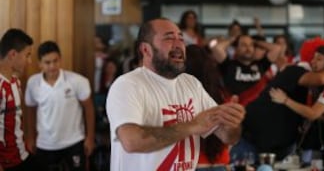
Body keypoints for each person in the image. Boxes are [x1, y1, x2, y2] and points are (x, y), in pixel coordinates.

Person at [106, 18, 245, 171]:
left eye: (181, 39)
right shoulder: (129, 84)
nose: (179, 45)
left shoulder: (190, 84)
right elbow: (132, 141)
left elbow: (228, 137)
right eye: (169, 38)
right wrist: (193, 126)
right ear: (146, 50)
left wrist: (232, 121)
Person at [270, 45, 324, 170]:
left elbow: (313, 113)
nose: (313, 61)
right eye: (313, 58)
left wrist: (285, 100)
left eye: (319, 59)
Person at [25, 41, 95, 171]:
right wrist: (30, 137)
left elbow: (89, 108)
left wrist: (90, 138)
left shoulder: (77, 81)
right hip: (45, 144)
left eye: (55, 61)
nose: (52, 66)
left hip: (74, 142)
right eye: (47, 62)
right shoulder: (33, 83)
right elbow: (30, 111)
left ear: (60, 59)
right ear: (39, 63)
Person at [0, 29, 44, 171]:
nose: (30, 61)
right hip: (7, 164)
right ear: (13, 54)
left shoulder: (16, 82)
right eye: (27, 55)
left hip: (22, 155)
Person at [185, 44, 232, 171]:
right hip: (220, 163)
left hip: (191, 164)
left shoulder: (180, 97)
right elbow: (228, 137)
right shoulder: (221, 95)